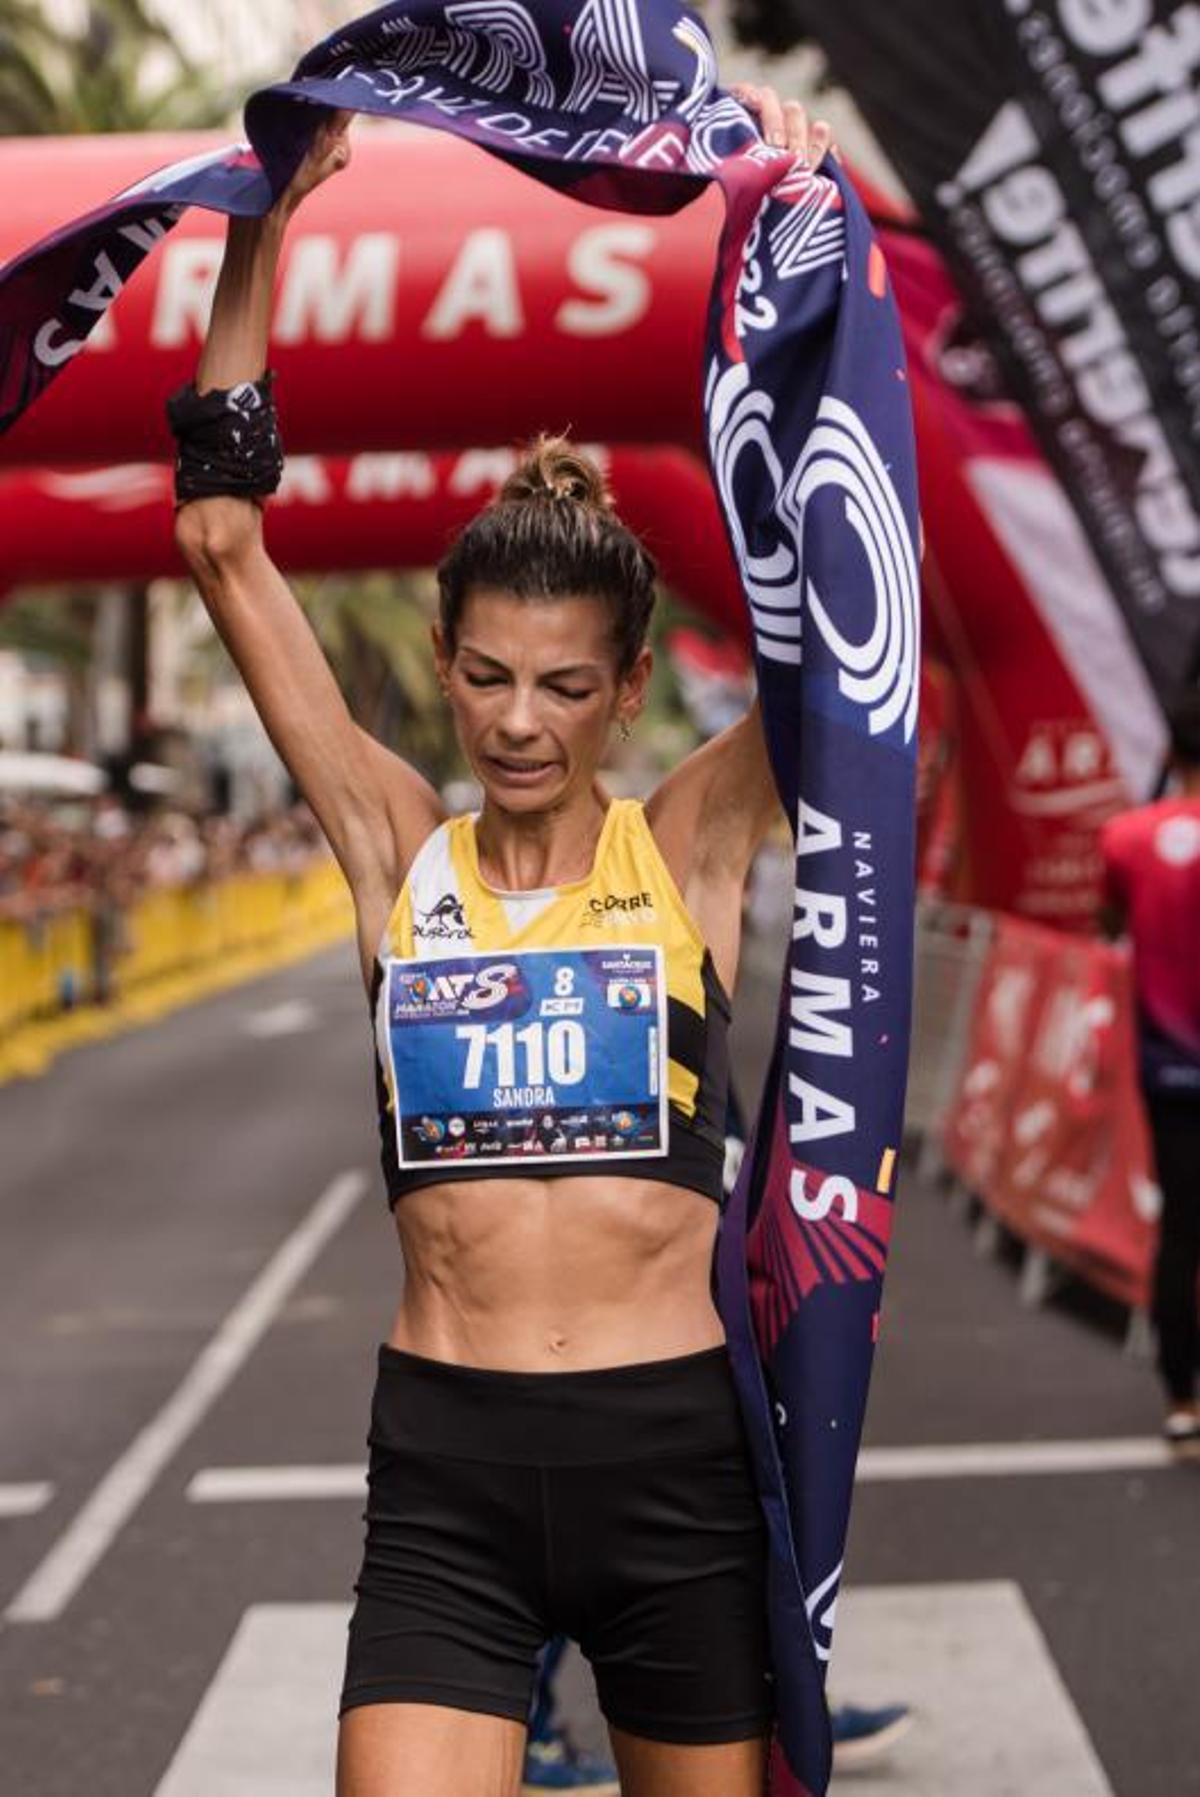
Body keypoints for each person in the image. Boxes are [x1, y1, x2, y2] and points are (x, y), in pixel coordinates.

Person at [171, 91, 834, 1797]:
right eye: (483, 677)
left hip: (672, 1450)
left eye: (562, 688)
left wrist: (813, 255)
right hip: (449, 1465)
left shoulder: (685, 840)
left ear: (627, 691)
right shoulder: (399, 843)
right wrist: (261, 223)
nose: (517, 725)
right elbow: (220, 536)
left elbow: (851, 611)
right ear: (447, 662)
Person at [1101, 689, 1200, 1456]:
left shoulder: (1126, 838)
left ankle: (1179, 1397)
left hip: (1167, 1067)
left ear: (1170, 755)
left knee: (1180, 1229)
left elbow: (1109, 927)